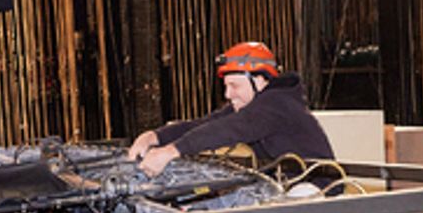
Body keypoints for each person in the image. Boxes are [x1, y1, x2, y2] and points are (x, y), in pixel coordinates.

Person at [127, 41, 335, 176]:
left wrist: (171, 152)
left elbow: (229, 129)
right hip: (285, 181)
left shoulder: (277, 104)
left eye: (234, 86)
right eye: (226, 86)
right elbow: (206, 124)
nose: (228, 95)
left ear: (260, 81)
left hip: (317, 188)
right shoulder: (250, 106)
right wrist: (153, 137)